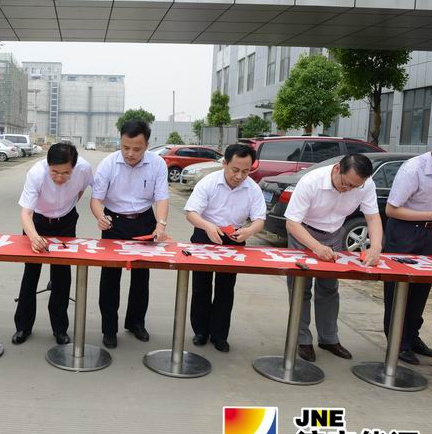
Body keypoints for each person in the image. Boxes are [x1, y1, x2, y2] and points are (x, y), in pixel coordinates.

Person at [284, 154, 383, 363]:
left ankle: (329, 338)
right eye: (346, 184)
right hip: (304, 234)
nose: (349, 189)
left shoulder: (365, 184)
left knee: (329, 288)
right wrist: (316, 247)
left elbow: (373, 217)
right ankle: (302, 339)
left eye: (355, 186)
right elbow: (292, 223)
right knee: (300, 288)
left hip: (334, 233)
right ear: (337, 168)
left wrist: (375, 247)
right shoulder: (311, 182)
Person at [90, 119, 170, 349]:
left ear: (147, 145)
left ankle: (136, 323)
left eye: (137, 149)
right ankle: (109, 329)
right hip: (113, 223)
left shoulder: (157, 164)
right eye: (125, 147)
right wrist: (100, 217)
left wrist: (161, 225)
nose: (130, 154)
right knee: (110, 277)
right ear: (120, 141)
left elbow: (162, 198)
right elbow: (96, 200)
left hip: (144, 221)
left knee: (141, 277)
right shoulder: (108, 164)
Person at [184, 143, 266, 353]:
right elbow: (191, 213)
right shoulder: (208, 182)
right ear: (224, 163)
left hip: (234, 238)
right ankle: (200, 331)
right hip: (205, 234)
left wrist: (249, 231)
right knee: (201, 286)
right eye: (235, 170)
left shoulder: (252, 188)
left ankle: (219, 335)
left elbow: (259, 219)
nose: (239, 176)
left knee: (225, 289)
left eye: (246, 171)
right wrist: (207, 226)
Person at [12, 142, 94, 346]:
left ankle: (60, 329)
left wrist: (67, 206)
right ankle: (23, 327)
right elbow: (26, 213)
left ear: (74, 167)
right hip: (37, 222)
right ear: (48, 164)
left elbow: (82, 190)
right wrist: (34, 237)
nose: (59, 177)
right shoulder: (36, 173)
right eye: (54, 172)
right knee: (31, 274)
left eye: (66, 173)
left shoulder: (84, 169)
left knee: (62, 275)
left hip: (65, 222)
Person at [382, 133, 432, 365]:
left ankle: (412, 337)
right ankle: (397, 342)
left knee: (422, 287)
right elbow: (391, 210)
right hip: (405, 231)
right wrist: (430, 215)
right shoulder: (412, 170)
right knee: (400, 288)